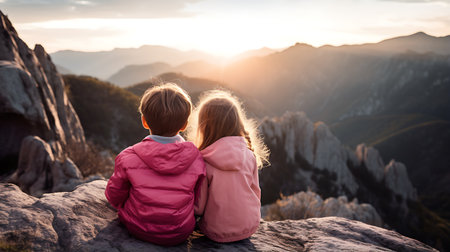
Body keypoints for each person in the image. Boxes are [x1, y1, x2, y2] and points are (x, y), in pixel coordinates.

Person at [105, 83, 205, 246]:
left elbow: (114, 195)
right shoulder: (196, 158)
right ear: (184, 125)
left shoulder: (128, 156)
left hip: (137, 227)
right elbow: (197, 198)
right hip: (179, 232)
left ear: (144, 121)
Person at [189, 90, 269, 243]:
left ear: (204, 127)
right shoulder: (249, 155)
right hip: (249, 227)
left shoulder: (204, 161)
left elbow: (199, 207)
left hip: (215, 232)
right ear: (237, 123)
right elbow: (256, 193)